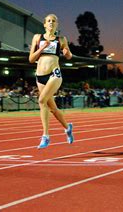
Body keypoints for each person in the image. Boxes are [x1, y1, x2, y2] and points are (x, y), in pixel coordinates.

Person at [28, 14, 74, 149]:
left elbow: (69, 56)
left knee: (41, 101)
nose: (51, 23)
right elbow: (31, 59)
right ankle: (68, 128)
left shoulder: (61, 39)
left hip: (54, 73)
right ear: (44, 24)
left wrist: (66, 53)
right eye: (49, 21)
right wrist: (42, 48)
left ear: (57, 25)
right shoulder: (37, 37)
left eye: (54, 21)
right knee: (53, 108)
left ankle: (46, 136)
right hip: (40, 76)